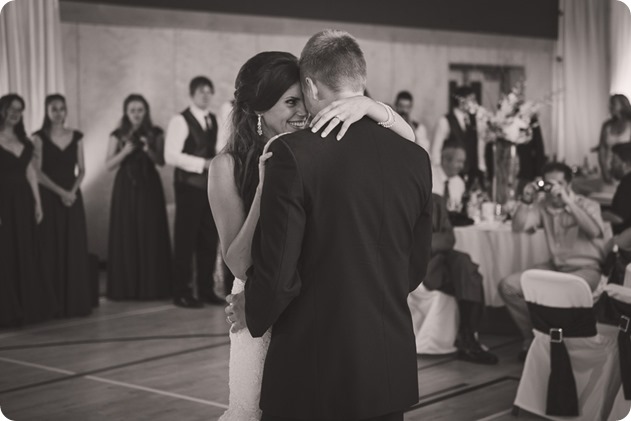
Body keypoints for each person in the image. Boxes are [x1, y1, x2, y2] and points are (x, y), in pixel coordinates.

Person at [224, 31, 432, 421]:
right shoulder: (416, 157)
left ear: (310, 85)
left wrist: (254, 304)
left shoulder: (292, 154)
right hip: (389, 368)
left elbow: (281, 269)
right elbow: (416, 265)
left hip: (314, 369)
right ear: (360, 79)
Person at [499, 162, 609, 360]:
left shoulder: (587, 204)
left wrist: (568, 202)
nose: (553, 188)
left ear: (569, 183)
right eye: (549, 183)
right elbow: (519, 227)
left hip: (586, 269)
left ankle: (558, 343)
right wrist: (526, 200)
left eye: (559, 182)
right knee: (508, 286)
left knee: (563, 292)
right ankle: (533, 337)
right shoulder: (543, 206)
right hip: (556, 268)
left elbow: (594, 231)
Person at [409, 194, 498, 364]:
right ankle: (467, 339)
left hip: (438, 257)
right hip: (414, 261)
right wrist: (422, 245)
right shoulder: (399, 199)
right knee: (460, 272)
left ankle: (468, 335)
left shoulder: (436, 200)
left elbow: (449, 238)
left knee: (466, 266)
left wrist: (424, 243)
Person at [165, 76, 227, 308]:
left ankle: (205, 289)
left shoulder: (213, 119)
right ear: (192, 94)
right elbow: (170, 155)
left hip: (210, 188)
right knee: (185, 240)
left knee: (208, 239)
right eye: (202, 92)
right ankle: (181, 291)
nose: (206, 96)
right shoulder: (180, 120)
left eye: (209, 92)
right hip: (188, 187)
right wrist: (202, 164)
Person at [105, 94, 172, 300]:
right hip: (125, 188)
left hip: (149, 187)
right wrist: (125, 151)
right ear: (126, 112)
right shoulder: (117, 134)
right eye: (132, 110)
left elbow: (161, 162)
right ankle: (127, 288)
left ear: (146, 112)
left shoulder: (156, 133)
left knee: (149, 232)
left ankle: (151, 287)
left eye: (140, 110)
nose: (136, 114)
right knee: (126, 232)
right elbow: (108, 165)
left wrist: (146, 148)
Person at [32, 94, 92, 317]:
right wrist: (61, 192)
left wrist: (72, 192)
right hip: (49, 196)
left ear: (66, 111)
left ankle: (73, 302)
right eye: (53, 109)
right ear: (46, 112)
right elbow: (36, 173)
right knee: (50, 246)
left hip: (72, 198)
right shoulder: (37, 138)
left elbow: (83, 169)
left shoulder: (77, 136)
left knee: (73, 247)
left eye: (61, 109)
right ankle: (51, 302)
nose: (58, 113)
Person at [0, 94, 57, 326]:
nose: (15, 113)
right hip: (3, 200)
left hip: (23, 200)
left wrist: (38, 202)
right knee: (6, 252)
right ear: (2, 109)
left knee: (25, 249)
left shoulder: (25, 141)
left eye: (20, 109)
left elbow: (30, 172)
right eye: (11, 108)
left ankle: (27, 306)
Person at [432, 85, 485, 187]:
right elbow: (436, 151)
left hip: (471, 173)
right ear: (461, 101)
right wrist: (439, 176)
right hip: (452, 173)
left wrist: (481, 167)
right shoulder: (445, 121)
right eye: (472, 100)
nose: (475, 104)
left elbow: (478, 147)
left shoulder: (475, 121)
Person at [598, 94, 631, 184]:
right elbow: (602, 149)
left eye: (613, 104)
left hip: (626, 171)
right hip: (609, 169)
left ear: (623, 105)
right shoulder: (607, 125)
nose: (610, 107)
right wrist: (604, 170)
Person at [432, 139, 466, 212]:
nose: (462, 166)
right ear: (445, 161)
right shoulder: (429, 177)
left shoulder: (459, 183)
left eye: (463, 162)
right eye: (459, 161)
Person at [604, 142, 631, 234]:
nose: (610, 165)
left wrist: (592, 215)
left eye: (614, 161)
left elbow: (617, 217)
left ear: (626, 164)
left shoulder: (628, 182)